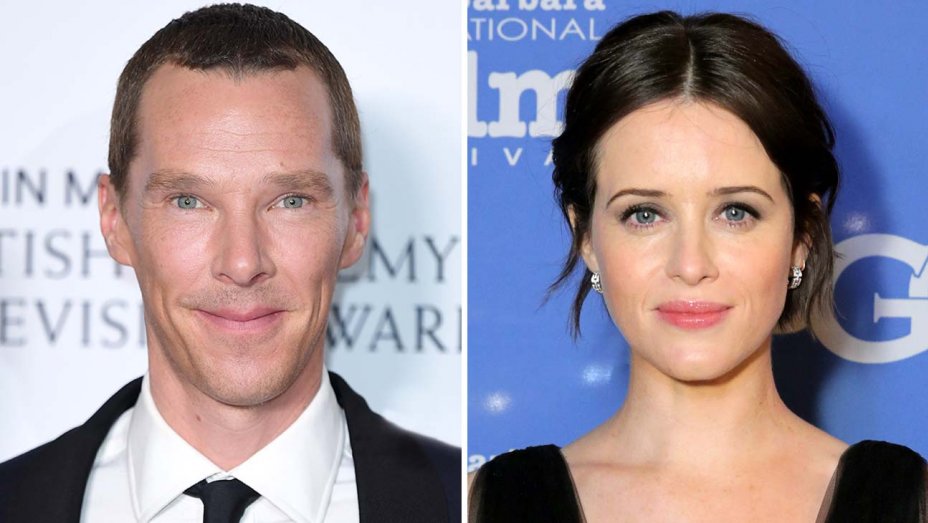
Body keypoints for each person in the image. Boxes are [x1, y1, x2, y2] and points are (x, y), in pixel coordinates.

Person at [0, 4, 459, 522]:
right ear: (114, 219)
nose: (242, 263)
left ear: (355, 220)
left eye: (290, 201)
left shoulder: (463, 502)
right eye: (188, 201)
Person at [469, 11, 925, 522]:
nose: (690, 265)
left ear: (803, 237)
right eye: (645, 214)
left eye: (736, 212)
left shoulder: (914, 503)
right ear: (587, 239)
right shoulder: (475, 504)